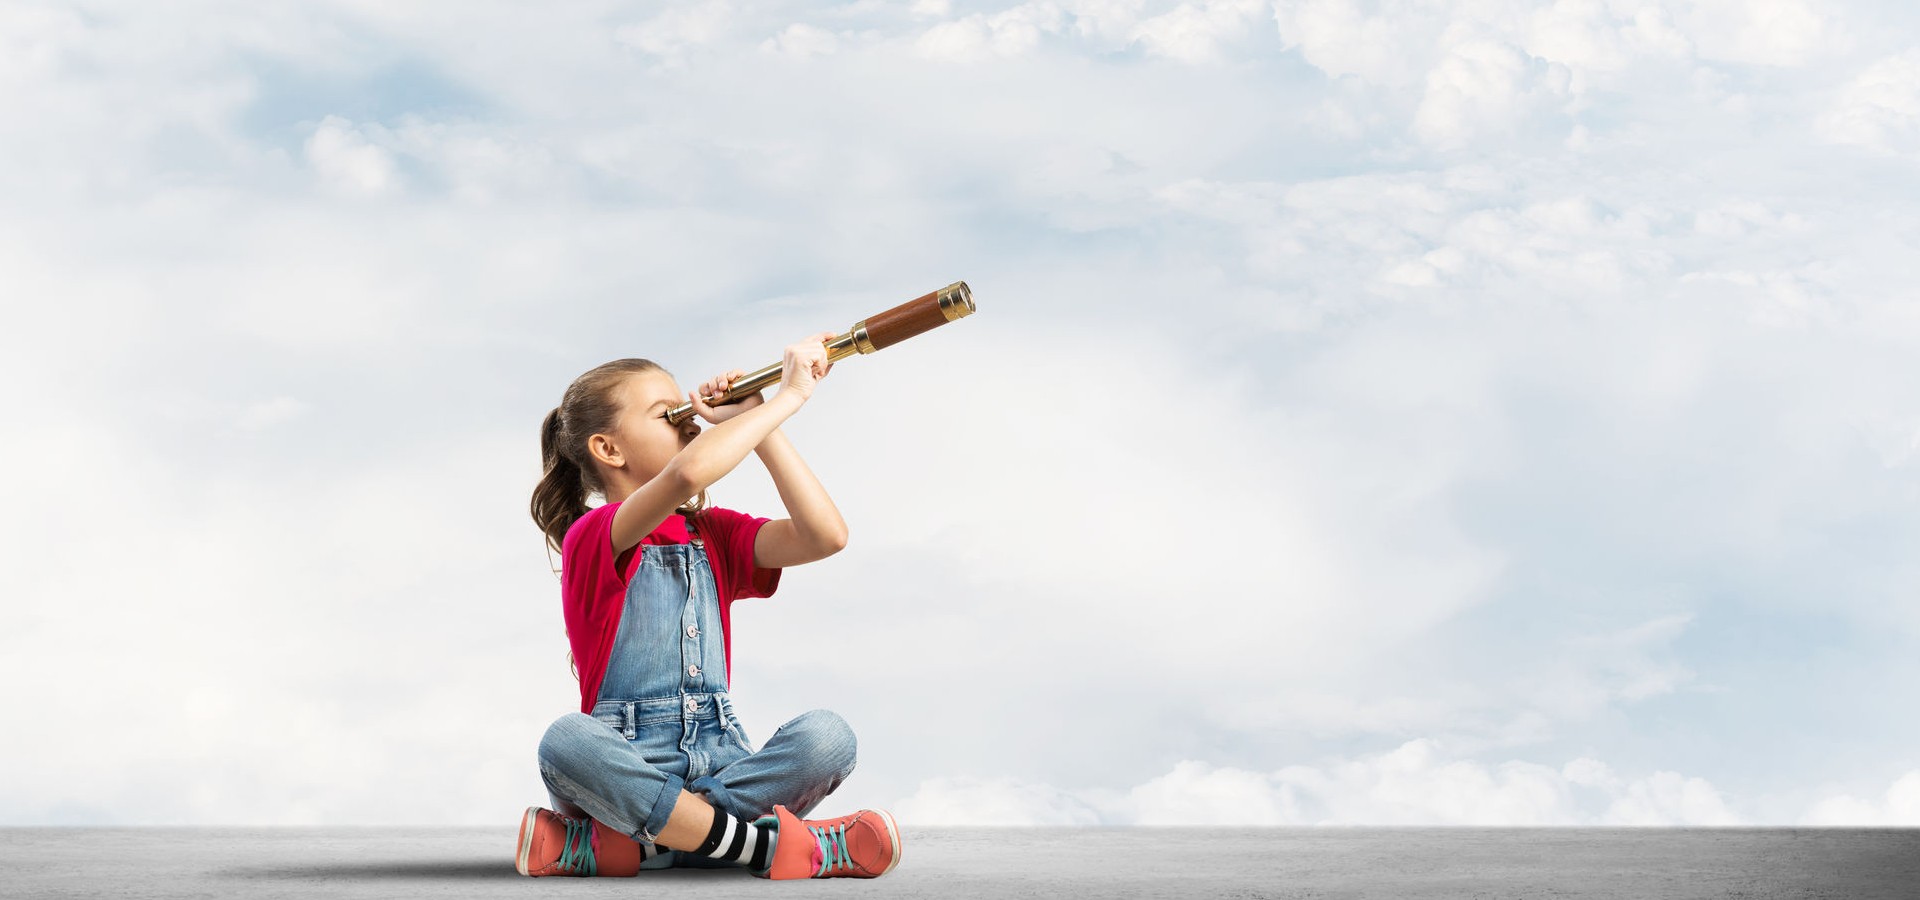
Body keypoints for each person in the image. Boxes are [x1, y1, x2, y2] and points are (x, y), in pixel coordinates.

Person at [517, 332, 901, 880]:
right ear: (609, 449)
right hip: (626, 769)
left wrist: (762, 417)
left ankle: (644, 846)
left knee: (829, 736)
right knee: (566, 741)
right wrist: (793, 395)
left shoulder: (713, 534)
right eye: (665, 413)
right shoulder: (593, 536)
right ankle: (774, 849)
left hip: (723, 763)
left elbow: (825, 536)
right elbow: (688, 475)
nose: (685, 418)